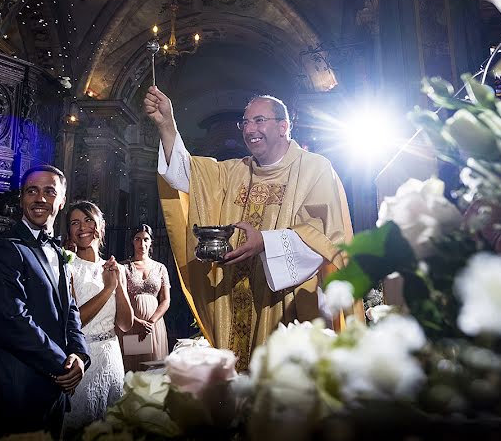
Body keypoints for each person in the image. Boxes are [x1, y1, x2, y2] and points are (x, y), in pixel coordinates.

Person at [145, 86, 361, 369]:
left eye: (259, 121)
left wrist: (266, 243)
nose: (249, 129)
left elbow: (326, 239)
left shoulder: (315, 169)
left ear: (283, 126)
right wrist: (167, 125)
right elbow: (188, 175)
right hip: (235, 300)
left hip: (289, 306)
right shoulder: (234, 171)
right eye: (245, 122)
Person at [0, 165, 90, 439]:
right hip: (19, 386)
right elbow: (11, 320)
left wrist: (80, 355)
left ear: (61, 200)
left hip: (55, 390)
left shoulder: (58, 249)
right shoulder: (3, 248)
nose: (40, 198)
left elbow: (70, 310)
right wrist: (63, 364)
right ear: (22, 199)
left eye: (49, 191)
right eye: (32, 191)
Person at [63, 201, 133, 433]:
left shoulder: (115, 269)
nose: (82, 227)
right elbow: (74, 322)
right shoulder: (67, 269)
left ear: (101, 227)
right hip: (83, 358)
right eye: (75, 222)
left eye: (88, 220)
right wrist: (108, 289)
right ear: (69, 231)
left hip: (111, 356)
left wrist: (118, 284)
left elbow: (125, 324)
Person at [121, 224, 171, 371]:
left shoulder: (161, 268)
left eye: (146, 239)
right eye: (137, 239)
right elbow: (118, 300)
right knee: (132, 369)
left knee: (153, 370)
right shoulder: (123, 267)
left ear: (151, 242)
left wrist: (150, 322)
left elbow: (166, 300)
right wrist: (136, 322)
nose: (142, 244)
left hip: (154, 325)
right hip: (131, 323)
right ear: (132, 241)